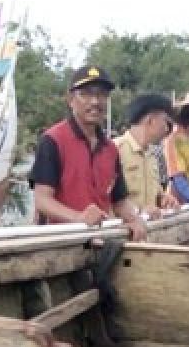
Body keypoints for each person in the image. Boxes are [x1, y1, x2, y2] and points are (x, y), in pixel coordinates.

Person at [29, 65, 146, 240]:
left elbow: (119, 200)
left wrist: (135, 218)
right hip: (58, 243)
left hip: (99, 241)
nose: (95, 102)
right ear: (70, 99)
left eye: (101, 94)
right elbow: (42, 200)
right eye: (86, 94)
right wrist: (78, 217)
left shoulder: (110, 148)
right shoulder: (53, 140)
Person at [114, 94, 177, 220]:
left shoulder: (152, 155)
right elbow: (108, 198)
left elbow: (156, 192)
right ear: (150, 120)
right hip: (123, 231)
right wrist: (139, 211)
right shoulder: (115, 150)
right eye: (165, 121)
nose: (166, 129)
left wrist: (164, 198)